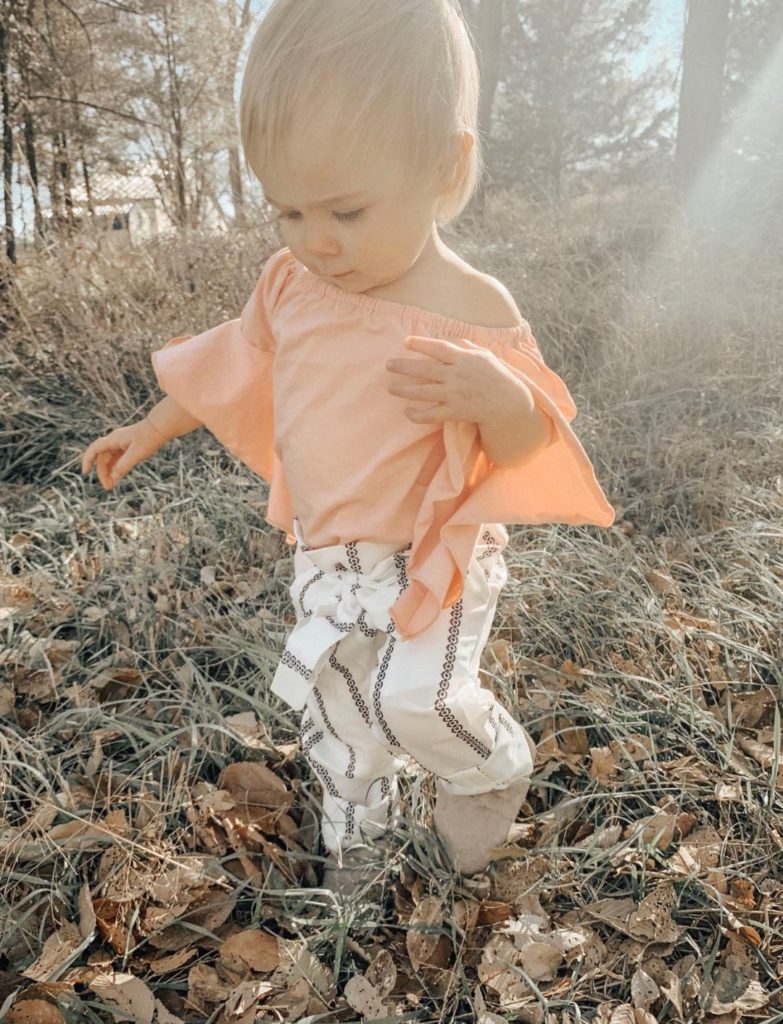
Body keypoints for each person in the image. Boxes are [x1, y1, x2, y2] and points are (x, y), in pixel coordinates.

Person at [81, 0, 615, 897]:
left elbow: (530, 439)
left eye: (347, 209)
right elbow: (230, 361)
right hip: (327, 555)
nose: (314, 241)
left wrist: (506, 400)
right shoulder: (290, 283)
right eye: (287, 209)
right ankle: (355, 853)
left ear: (445, 166)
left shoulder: (473, 305)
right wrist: (151, 424)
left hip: (434, 558)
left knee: (418, 699)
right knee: (343, 722)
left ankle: (489, 764)